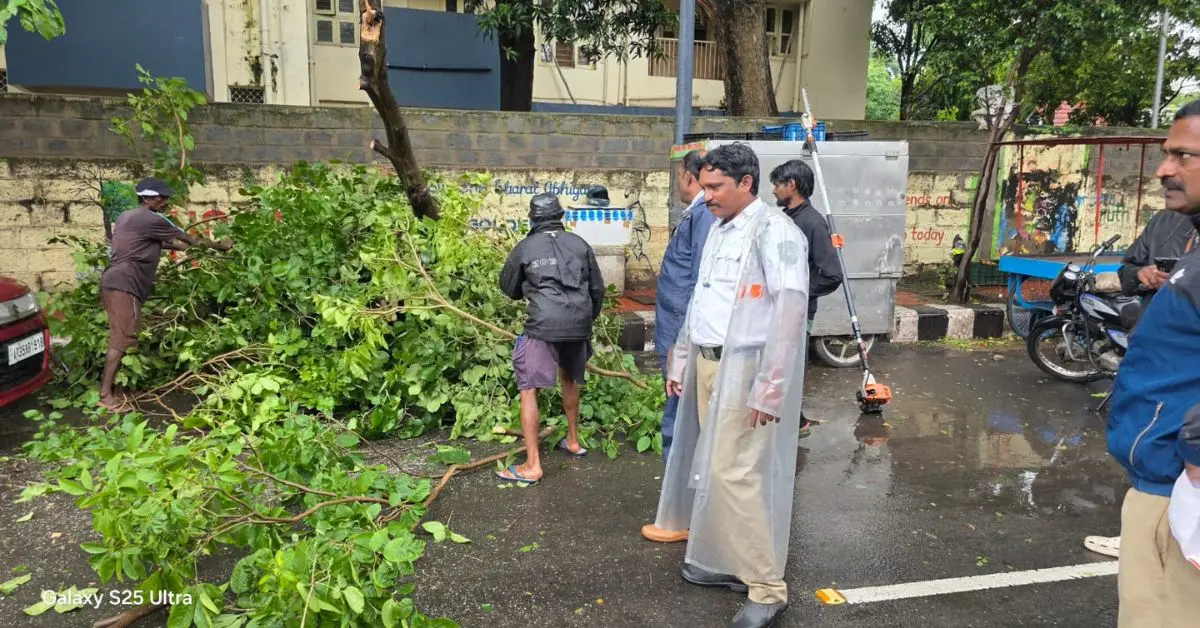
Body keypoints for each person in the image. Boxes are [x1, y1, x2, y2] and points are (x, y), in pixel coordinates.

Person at [654, 143, 809, 628]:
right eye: (704, 184)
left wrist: (770, 385)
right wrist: (682, 358)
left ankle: (766, 586)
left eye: (716, 186)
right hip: (708, 362)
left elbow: (790, 308)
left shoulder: (775, 232)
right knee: (711, 468)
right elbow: (702, 300)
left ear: (747, 184)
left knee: (734, 473)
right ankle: (727, 563)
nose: (705, 194)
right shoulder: (720, 228)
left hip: (745, 369)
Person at [1105, 100, 1200, 627]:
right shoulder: (1178, 231)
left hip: (1179, 494)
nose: (1165, 169)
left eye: (1183, 156)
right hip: (1163, 486)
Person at [497, 192, 606, 485]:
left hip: (542, 326)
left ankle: (533, 465)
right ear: (561, 217)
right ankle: (573, 440)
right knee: (569, 377)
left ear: (532, 220)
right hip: (580, 323)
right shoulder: (580, 244)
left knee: (529, 387)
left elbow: (508, 288)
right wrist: (584, 321)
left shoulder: (525, 247)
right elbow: (598, 289)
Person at [99, 177, 232, 411]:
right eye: (161, 198)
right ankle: (105, 396)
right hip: (124, 284)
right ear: (147, 198)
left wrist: (185, 249)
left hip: (116, 282)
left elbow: (156, 244)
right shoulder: (151, 218)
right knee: (122, 338)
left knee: (128, 336)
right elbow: (189, 239)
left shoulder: (127, 217)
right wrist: (220, 246)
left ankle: (120, 390)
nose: (165, 203)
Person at [642, 150, 714, 544]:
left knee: (681, 425)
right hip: (681, 339)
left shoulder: (702, 216)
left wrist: (679, 349)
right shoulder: (699, 215)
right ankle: (685, 510)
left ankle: (680, 515)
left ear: (688, 177)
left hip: (684, 343)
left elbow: (701, 285)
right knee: (684, 423)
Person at [770, 159, 844, 436]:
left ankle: (795, 422)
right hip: (775, 307)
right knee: (777, 362)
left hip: (799, 311)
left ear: (793, 185)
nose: (774, 190)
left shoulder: (813, 223)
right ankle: (790, 418)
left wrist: (797, 289)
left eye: (778, 184)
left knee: (790, 363)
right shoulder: (784, 219)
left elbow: (832, 274)